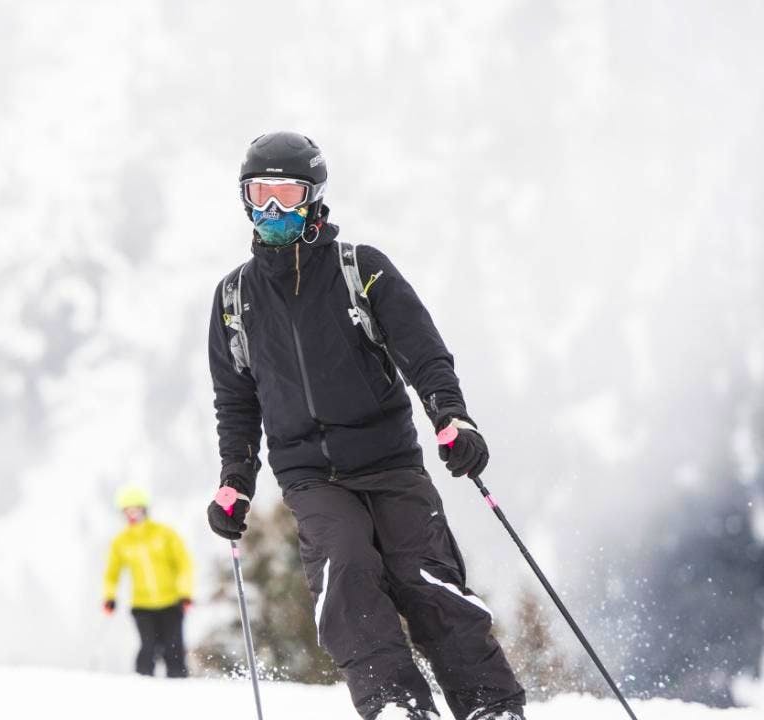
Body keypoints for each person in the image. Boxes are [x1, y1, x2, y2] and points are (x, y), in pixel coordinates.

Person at [204, 131, 526, 720]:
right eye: (258, 194)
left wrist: (451, 417)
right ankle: (397, 706)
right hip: (310, 476)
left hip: (390, 460)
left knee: (425, 579)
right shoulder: (234, 300)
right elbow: (236, 402)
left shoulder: (360, 269)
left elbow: (422, 352)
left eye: (285, 194)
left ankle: (490, 707)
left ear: (313, 198)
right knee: (344, 569)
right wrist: (235, 480)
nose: (270, 209)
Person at [103, 485, 194, 678]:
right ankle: (142, 688)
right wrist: (109, 597)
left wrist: (185, 593)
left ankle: (181, 689)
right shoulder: (121, 541)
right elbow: (112, 573)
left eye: (136, 510)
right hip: (142, 605)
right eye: (128, 511)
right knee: (148, 649)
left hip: (171, 602)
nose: (132, 515)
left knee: (173, 650)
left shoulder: (164, 534)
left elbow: (184, 564)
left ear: (145, 510)